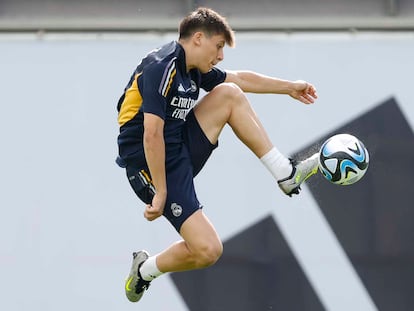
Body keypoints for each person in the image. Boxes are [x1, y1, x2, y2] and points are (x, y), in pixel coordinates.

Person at [116, 7, 319, 303]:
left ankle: (285, 174)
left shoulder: (192, 67)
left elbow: (238, 79)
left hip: (178, 146)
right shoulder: (161, 66)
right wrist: (160, 192)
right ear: (198, 38)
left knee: (230, 93)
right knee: (208, 250)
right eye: (219, 46)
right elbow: (151, 135)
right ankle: (144, 270)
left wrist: (289, 87)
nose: (221, 55)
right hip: (150, 165)